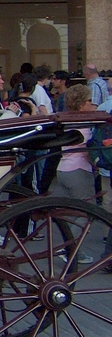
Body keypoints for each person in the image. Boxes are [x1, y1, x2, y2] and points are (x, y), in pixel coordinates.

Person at [47, 84, 96, 265]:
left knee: (70, 214)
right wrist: (96, 163)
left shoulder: (68, 120)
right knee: (87, 213)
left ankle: (76, 251)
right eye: (89, 100)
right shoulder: (83, 124)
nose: (92, 104)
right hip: (78, 170)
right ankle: (68, 248)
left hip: (63, 168)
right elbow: (85, 150)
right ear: (82, 104)